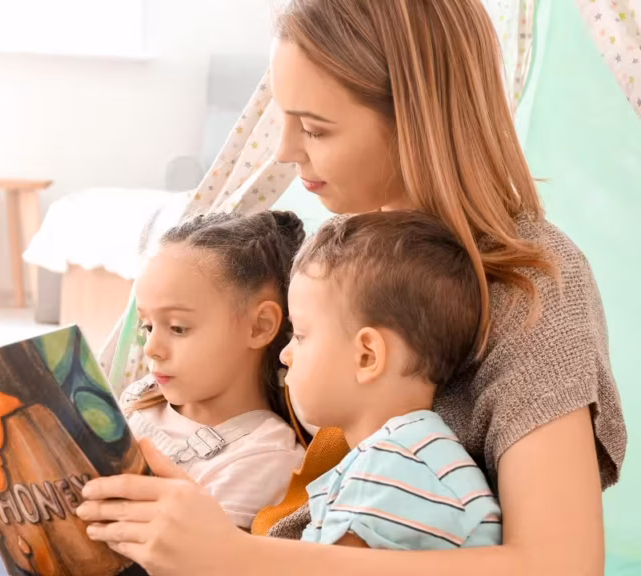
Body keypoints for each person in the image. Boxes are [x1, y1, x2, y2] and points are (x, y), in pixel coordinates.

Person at [74, 1, 627, 575]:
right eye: (284, 119)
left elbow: (559, 563)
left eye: (314, 128)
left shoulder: (530, 283)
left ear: (416, 119)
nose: (284, 151)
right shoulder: (344, 245)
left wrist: (235, 556)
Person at [285, 210, 500, 549]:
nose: (285, 355)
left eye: (300, 335)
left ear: (367, 356)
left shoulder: (392, 469)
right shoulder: (405, 457)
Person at [120, 210, 308, 531]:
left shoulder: (265, 458)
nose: (151, 348)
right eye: (148, 326)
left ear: (259, 326)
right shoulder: (142, 395)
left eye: (178, 328)